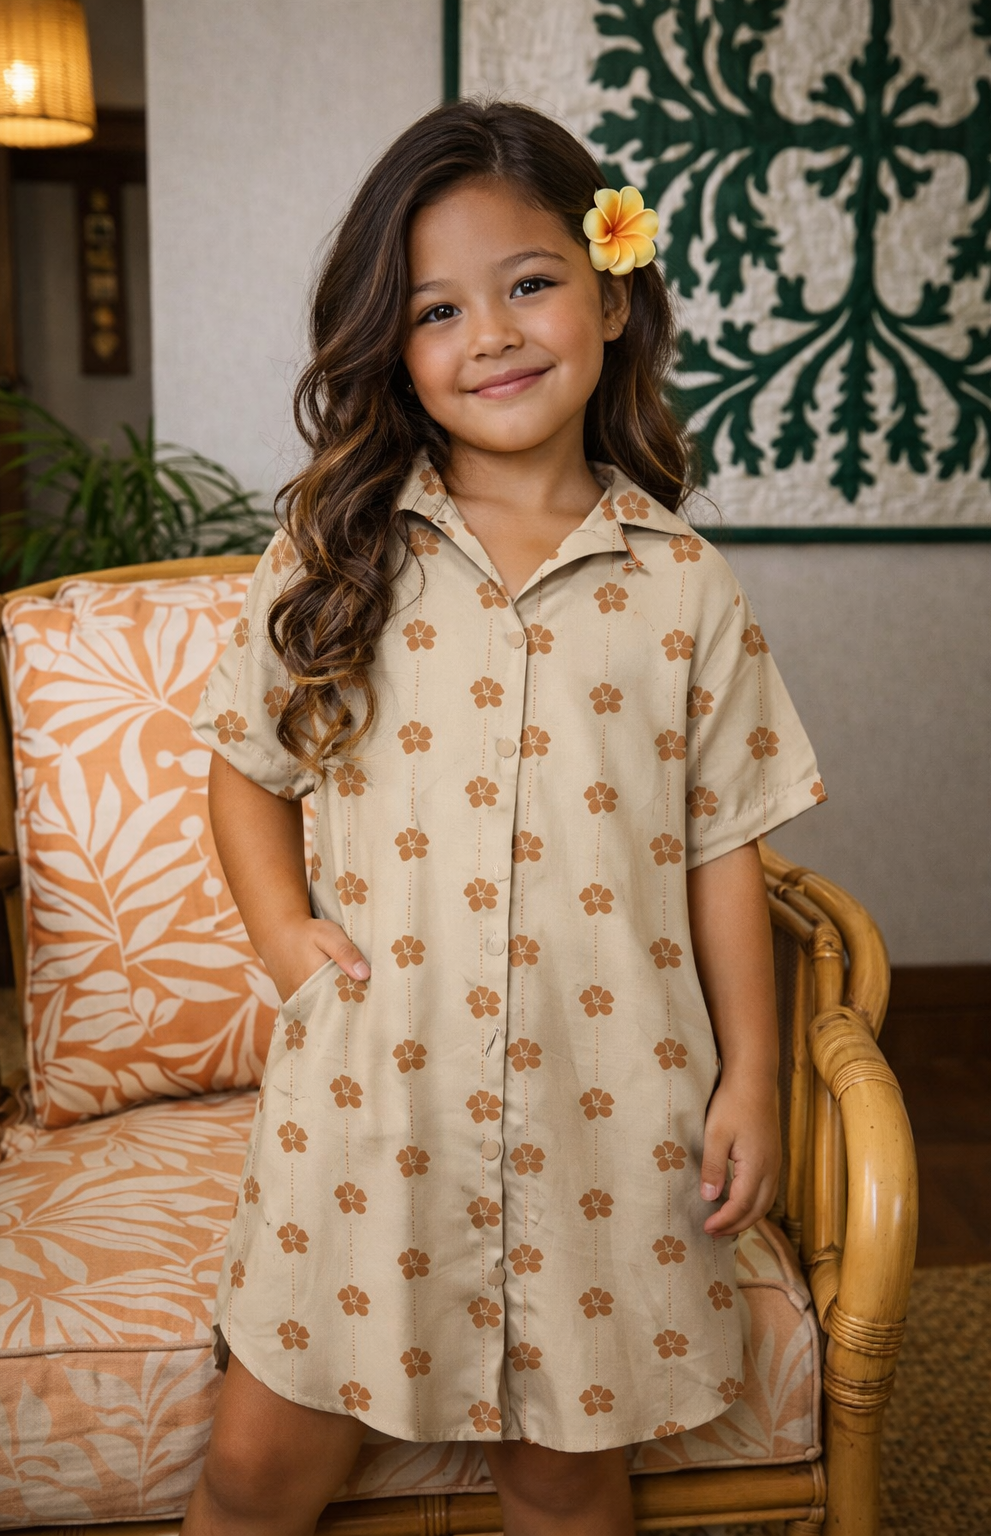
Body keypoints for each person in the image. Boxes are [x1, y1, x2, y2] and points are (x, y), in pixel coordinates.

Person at [184, 99, 824, 1536]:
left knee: (567, 1475)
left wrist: (752, 1075)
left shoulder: (683, 584)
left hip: (608, 1107)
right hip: (370, 1099)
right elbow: (243, 764)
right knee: (256, 1466)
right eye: (435, 309)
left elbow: (724, 841)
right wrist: (291, 945)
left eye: (529, 283)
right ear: (392, 348)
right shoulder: (338, 550)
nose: (493, 333)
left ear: (610, 289)